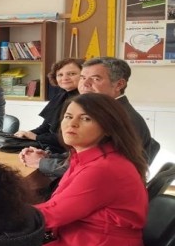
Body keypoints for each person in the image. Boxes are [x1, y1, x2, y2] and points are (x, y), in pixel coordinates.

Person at [36, 93, 148, 246]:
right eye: (68, 116)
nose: (72, 124)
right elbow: (56, 206)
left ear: (108, 127)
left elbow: (53, 214)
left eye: (86, 118)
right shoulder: (88, 157)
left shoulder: (103, 168)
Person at [21, 57, 158, 180]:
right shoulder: (105, 110)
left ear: (119, 84)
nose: (85, 84)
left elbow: (93, 168)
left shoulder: (120, 118)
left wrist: (40, 162)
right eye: (82, 77)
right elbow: (85, 155)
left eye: (96, 79)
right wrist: (48, 156)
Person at [13, 58, 82, 153]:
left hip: (69, 152)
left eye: (72, 74)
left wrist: (36, 137)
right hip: (52, 146)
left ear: (84, 76)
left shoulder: (83, 101)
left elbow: (71, 137)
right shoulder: (60, 96)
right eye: (60, 75)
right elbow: (45, 127)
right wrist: (26, 134)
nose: (65, 78)